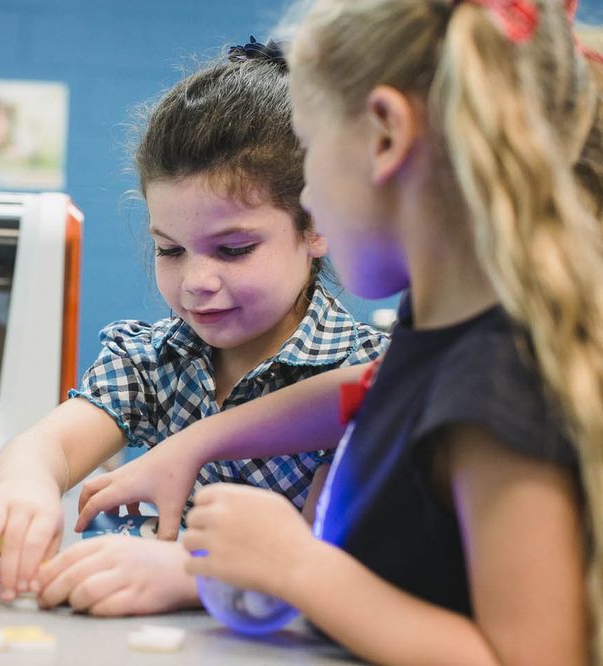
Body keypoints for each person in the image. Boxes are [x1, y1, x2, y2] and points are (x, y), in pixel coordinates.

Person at [78, 0, 603, 661]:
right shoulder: (442, 329)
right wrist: (194, 445)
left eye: (310, 146)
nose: (312, 202)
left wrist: (297, 567)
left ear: (384, 136)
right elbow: (362, 392)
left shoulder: (499, 386)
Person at [0, 39, 388, 613]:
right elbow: (48, 446)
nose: (196, 281)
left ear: (316, 226)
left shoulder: (367, 373)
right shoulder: (150, 359)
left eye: (233, 249)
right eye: (171, 249)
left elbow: (334, 567)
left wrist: (193, 574)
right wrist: (22, 488)